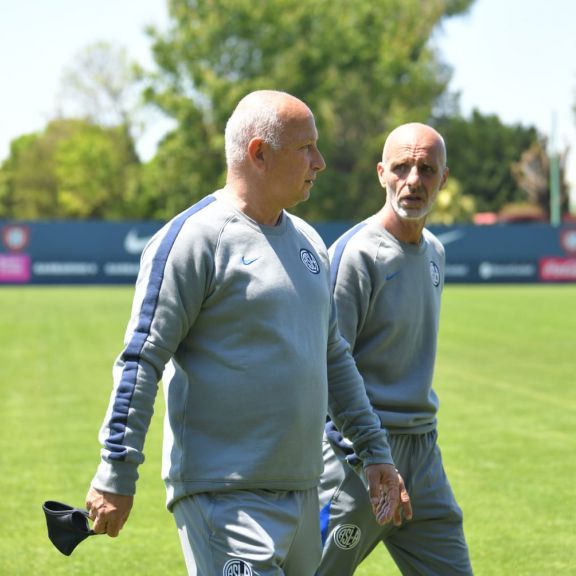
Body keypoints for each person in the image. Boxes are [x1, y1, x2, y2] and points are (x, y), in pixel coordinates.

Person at [85, 90, 410, 576]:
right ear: (259, 153)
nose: (319, 162)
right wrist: (116, 469)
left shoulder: (308, 241)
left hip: (304, 490)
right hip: (224, 496)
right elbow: (141, 359)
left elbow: (334, 358)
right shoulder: (193, 239)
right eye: (306, 148)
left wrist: (374, 454)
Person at [317, 123, 473, 575]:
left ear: (443, 178)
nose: (413, 180)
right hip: (358, 457)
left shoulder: (435, 252)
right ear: (382, 173)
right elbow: (328, 365)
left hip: (423, 453)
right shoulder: (356, 255)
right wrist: (368, 456)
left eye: (426, 169)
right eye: (402, 167)